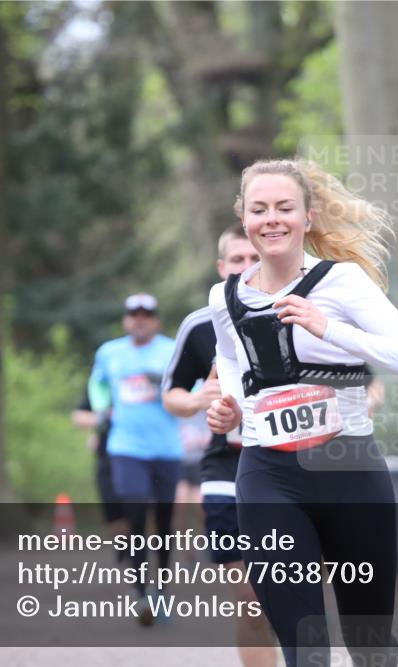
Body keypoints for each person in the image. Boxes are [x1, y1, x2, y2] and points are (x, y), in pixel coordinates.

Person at [206, 159, 398, 667]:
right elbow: (231, 362)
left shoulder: (344, 283)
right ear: (243, 217)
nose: (273, 219)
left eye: (285, 208)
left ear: (307, 217)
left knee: (370, 648)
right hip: (269, 477)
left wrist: (327, 329)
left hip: (349, 471)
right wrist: (231, 412)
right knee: (304, 649)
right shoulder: (224, 298)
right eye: (260, 208)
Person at [162, 223, 277, 667]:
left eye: (255, 258)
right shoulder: (200, 324)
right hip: (226, 468)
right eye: (237, 260)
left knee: (289, 594)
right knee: (250, 597)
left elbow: (360, 378)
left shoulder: (299, 311)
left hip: (295, 467)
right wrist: (196, 399)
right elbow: (170, 394)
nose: (246, 268)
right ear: (221, 267)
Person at [88, 292, 182, 624]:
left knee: (166, 521)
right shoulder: (109, 353)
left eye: (146, 314)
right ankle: (141, 592)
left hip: (167, 448)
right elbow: (97, 386)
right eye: (133, 314)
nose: (139, 319)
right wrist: (101, 409)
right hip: (125, 446)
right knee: (136, 512)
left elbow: (194, 388)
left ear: (156, 320)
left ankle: (163, 590)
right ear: (126, 319)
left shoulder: (172, 350)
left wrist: (168, 388)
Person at [70, 387, 128, 548]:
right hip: (106, 457)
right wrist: (103, 419)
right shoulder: (101, 386)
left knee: (138, 508)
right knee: (113, 514)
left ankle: (138, 553)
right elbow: (78, 416)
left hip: (141, 456)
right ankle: (124, 550)